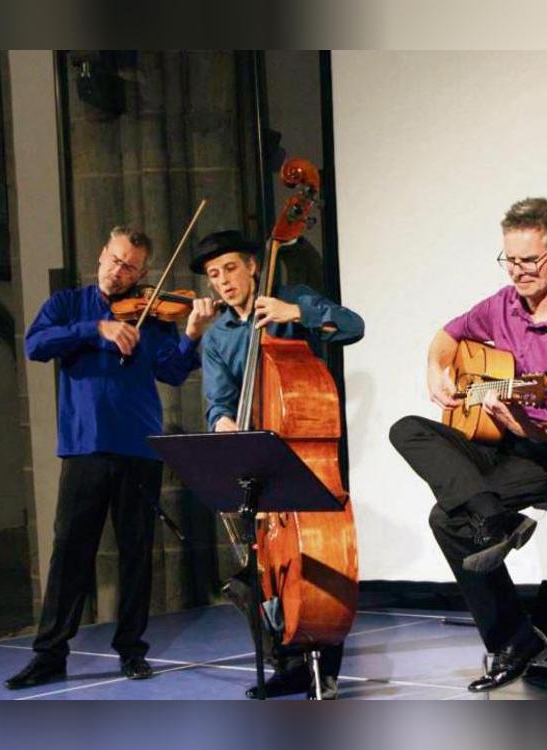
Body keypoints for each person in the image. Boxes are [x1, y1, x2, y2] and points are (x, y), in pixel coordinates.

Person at [389, 197, 547, 693]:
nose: (517, 272)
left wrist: (530, 429)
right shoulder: (502, 305)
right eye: (509, 260)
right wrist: (436, 371)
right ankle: (495, 518)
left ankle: (513, 639)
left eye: (528, 260)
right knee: (408, 428)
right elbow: (446, 337)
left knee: (446, 518)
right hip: (511, 444)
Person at [5, 226, 217, 690]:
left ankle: (131, 651)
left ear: (143, 273)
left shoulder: (154, 317)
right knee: (70, 554)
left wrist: (192, 335)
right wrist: (95, 329)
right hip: (85, 447)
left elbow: (174, 372)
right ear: (102, 253)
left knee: (136, 553)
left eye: (130, 268)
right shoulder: (68, 306)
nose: (118, 272)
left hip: (140, 448)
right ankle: (49, 655)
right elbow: (35, 345)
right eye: (115, 260)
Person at [191, 229, 364, 699]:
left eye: (229, 268)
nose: (223, 281)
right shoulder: (218, 337)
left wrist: (299, 313)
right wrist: (223, 424)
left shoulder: (290, 301)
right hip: (256, 460)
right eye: (213, 275)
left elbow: (353, 325)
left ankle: (323, 667)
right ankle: (286, 662)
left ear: (252, 265)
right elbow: (218, 404)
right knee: (255, 572)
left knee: (315, 562)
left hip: (304, 453)